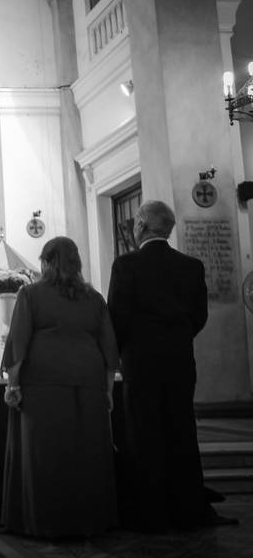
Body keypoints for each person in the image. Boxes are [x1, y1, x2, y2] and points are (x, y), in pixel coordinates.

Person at [108, 200, 236, 531]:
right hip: (180, 361)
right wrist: (176, 340)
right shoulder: (190, 266)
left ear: (140, 226)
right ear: (169, 228)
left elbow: (117, 318)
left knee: (144, 432)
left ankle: (151, 511)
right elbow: (199, 316)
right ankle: (188, 507)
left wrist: (127, 349)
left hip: (140, 362)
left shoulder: (126, 265)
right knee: (182, 430)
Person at [1, 236, 119, 538]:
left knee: (46, 453)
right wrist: (108, 390)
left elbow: (19, 342)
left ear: (45, 262)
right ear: (76, 263)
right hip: (89, 379)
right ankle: (90, 520)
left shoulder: (30, 294)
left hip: (43, 380)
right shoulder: (94, 298)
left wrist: (12, 384)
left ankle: (46, 521)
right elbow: (109, 350)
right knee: (88, 452)